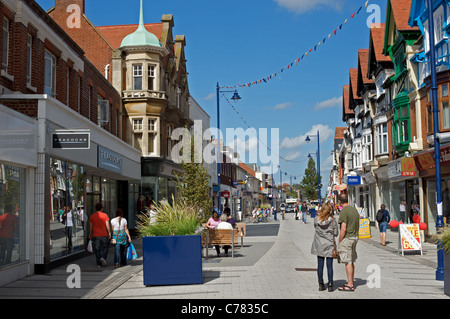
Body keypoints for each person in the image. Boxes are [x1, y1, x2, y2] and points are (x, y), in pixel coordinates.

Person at [311, 203, 338, 292]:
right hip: (329, 244)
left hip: (319, 244)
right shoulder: (333, 221)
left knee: (320, 264)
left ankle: (321, 284)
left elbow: (315, 227)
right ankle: (330, 284)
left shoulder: (316, 219)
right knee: (329, 265)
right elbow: (336, 233)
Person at [337, 193, 359, 292]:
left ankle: (350, 284)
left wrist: (340, 239)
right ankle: (351, 281)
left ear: (339, 202)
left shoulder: (343, 211)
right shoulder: (354, 210)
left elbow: (343, 228)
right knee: (351, 260)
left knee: (348, 261)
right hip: (354, 237)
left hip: (347, 238)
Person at [89, 203, 111, 267]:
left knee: (97, 249)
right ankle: (103, 257)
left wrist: (90, 233)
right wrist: (109, 232)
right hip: (104, 234)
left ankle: (98, 264)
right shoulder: (105, 215)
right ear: (101, 208)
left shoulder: (92, 216)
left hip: (95, 235)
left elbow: (90, 226)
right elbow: (107, 224)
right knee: (106, 246)